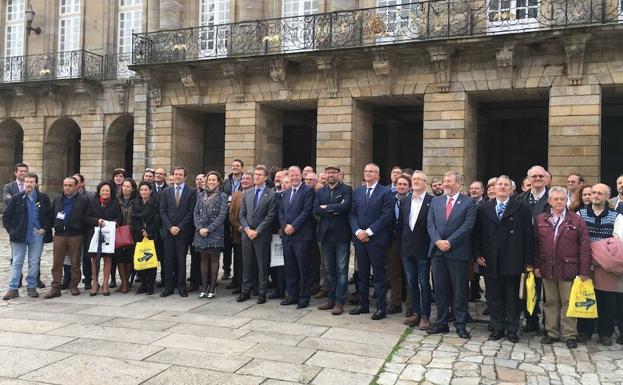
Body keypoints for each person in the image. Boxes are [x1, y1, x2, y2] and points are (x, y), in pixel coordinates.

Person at [473, 175, 534, 343]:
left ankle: (512, 329)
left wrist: (528, 261)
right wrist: (477, 254)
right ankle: (497, 327)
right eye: (499, 184)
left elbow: (529, 236)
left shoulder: (522, 208)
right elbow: (476, 234)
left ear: (512, 189)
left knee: (513, 297)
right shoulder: (484, 208)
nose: (502, 187)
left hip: (513, 260)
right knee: (493, 296)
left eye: (505, 185)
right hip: (490, 260)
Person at [534, 186, 591, 349]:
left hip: (569, 268)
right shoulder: (540, 219)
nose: (559, 202)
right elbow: (536, 245)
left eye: (562, 199)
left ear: (567, 201)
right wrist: (536, 265)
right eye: (556, 199)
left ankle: (569, 334)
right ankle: (551, 332)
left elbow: (585, 246)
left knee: (568, 302)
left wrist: (584, 271)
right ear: (550, 201)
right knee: (550, 301)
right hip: (547, 267)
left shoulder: (576, 220)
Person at [426, 171, 476, 339]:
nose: (445, 184)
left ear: (459, 184)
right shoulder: (436, 201)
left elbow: (467, 226)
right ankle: (441, 322)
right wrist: (438, 241)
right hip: (437, 252)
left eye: (449, 181)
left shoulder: (468, 202)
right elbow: (430, 224)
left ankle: (460, 324)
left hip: (458, 252)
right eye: (444, 181)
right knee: (439, 289)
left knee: (459, 290)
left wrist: (450, 242)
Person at [577, 183, 623, 345]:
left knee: (606, 302)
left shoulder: (616, 216)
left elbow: (617, 242)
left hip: (605, 266)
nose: (595, 196)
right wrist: (595, 251)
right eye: (593, 192)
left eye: (600, 193)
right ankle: (584, 331)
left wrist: (596, 252)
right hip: (585, 264)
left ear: (606, 197)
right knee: (585, 298)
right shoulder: (580, 213)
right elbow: (577, 239)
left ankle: (605, 333)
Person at [348, 163, 393, 320]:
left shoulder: (385, 192)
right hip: (360, 239)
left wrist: (368, 232)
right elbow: (352, 214)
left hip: (376, 240)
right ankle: (363, 304)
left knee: (379, 276)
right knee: (362, 274)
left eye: (371, 171)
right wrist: (358, 231)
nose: (367, 173)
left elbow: (387, 216)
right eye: (366, 170)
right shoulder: (358, 191)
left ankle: (381, 308)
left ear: (378, 176)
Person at [2, 173, 53, 300]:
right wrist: (11, 231)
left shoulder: (43, 198)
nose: (29, 184)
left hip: (37, 235)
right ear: (23, 183)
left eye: (31, 182)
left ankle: (32, 286)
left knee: (34, 262)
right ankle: (13, 288)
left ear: (36, 184)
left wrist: (44, 228)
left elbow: (49, 215)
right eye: (27, 182)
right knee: (17, 262)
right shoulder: (17, 198)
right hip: (20, 235)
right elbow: (6, 216)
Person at [314, 165, 352, 315]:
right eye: (328, 172)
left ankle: (339, 301)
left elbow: (345, 207)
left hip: (341, 235)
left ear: (339, 174)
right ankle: (330, 298)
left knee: (342, 270)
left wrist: (326, 208)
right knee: (329, 270)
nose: (330, 175)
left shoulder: (346, 190)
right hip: (325, 235)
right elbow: (315, 209)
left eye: (333, 172)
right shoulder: (320, 191)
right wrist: (334, 208)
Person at [516, 165, 550, 333]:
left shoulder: (554, 198)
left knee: (549, 289)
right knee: (530, 285)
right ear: (528, 179)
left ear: (546, 178)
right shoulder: (520, 199)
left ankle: (550, 323)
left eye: (540, 176)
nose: (537, 179)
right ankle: (531, 320)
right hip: (526, 248)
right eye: (533, 177)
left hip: (549, 249)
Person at [238, 165, 278, 303]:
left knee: (262, 265)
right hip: (247, 234)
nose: (256, 177)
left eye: (260, 175)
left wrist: (257, 231)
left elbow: (270, 216)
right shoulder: (247, 193)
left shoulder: (271, 194)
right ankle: (245, 291)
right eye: (255, 174)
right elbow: (241, 214)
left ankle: (262, 292)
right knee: (247, 264)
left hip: (262, 235)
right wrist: (248, 229)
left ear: (266, 177)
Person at [45, 177, 90, 299]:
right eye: (65, 185)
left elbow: (87, 216)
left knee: (75, 262)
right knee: (57, 262)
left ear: (76, 186)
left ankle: (74, 284)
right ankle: (56, 287)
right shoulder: (58, 199)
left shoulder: (83, 200)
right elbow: (52, 216)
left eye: (70, 185)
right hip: (60, 234)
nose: (67, 187)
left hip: (76, 235)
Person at [278, 166, 316, 309]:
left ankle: (304, 297)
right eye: (291, 175)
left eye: (296, 175)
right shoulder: (285, 193)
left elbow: (306, 212)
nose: (294, 178)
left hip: (302, 236)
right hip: (287, 236)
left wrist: (293, 226)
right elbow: (280, 212)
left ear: (301, 176)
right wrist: (284, 226)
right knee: (290, 267)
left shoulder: (308, 191)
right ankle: (292, 295)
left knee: (303, 268)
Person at [399, 171, 433, 329]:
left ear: (426, 183)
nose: (416, 181)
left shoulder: (432, 201)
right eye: (414, 179)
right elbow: (402, 225)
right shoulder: (405, 201)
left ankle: (425, 316)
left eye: (420, 179)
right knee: (411, 282)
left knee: (423, 283)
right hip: (407, 249)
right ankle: (416, 313)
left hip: (423, 249)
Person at [160, 166, 197, 297]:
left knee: (181, 260)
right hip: (168, 232)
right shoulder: (166, 192)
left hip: (183, 232)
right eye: (176, 174)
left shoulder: (191, 192)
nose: (177, 176)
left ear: (185, 177)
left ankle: (182, 287)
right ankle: (169, 287)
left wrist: (179, 227)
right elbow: (162, 211)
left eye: (180, 174)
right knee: (168, 260)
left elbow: (191, 212)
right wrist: (170, 227)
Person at [192, 171, 229, 298]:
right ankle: (204, 287)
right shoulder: (200, 195)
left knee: (214, 260)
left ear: (218, 182)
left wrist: (208, 229)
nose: (211, 182)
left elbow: (222, 215)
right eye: (209, 180)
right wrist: (200, 228)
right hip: (200, 233)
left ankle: (212, 287)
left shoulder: (223, 196)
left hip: (215, 233)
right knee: (203, 260)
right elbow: (196, 213)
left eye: (214, 180)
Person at [84, 181, 123, 296]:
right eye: (103, 190)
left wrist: (112, 223)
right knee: (94, 260)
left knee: (107, 259)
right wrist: (97, 221)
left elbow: (119, 218)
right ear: (99, 191)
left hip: (109, 235)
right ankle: (95, 283)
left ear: (111, 192)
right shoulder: (92, 202)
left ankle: (105, 284)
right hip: (95, 234)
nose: (105, 192)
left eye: (107, 190)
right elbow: (86, 217)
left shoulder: (115, 203)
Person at [387, 174, 410, 315]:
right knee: (394, 273)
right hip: (392, 240)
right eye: (399, 184)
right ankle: (395, 303)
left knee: (409, 275)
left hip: (407, 241)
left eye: (404, 184)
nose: (401, 187)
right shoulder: (389, 199)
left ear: (409, 187)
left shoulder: (413, 200)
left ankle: (410, 306)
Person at [132, 182, 160, 295]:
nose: (143, 192)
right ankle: (143, 284)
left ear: (150, 191)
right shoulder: (136, 202)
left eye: (146, 190)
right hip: (139, 235)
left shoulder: (155, 203)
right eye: (142, 189)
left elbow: (158, 219)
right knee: (141, 259)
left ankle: (151, 285)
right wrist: (141, 230)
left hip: (152, 235)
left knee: (151, 260)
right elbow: (133, 219)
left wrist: (148, 231)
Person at [228, 172, 253, 295]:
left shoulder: (255, 193)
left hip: (252, 233)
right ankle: (238, 282)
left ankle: (250, 284)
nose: (245, 181)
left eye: (248, 179)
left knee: (250, 261)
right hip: (239, 233)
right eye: (243, 179)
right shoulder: (236, 194)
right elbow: (231, 213)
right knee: (239, 260)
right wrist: (239, 227)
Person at [117, 178, 137, 293]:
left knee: (130, 258)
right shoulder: (117, 199)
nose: (125, 188)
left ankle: (127, 281)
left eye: (128, 186)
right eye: (124, 186)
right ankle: (124, 282)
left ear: (133, 188)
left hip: (132, 231)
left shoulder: (136, 200)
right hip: (119, 231)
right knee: (120, 258)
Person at [188, 174, 205, 292]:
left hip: (205, 229)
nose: (199, 181)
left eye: (201, 179)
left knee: (204, 257)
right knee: (194, 256)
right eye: (197, 179)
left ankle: (205, 280)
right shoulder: (191, 192)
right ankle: (194, 281)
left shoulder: (208, 193)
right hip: (192, 228)